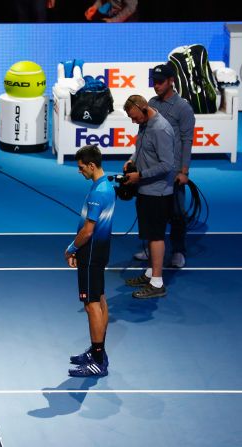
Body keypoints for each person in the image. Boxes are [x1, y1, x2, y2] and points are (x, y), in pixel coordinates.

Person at [132, 63, 195, 269]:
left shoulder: (183, 108)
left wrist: (184, 171)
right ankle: (152, 246)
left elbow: (187, 140)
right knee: (150, 212)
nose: (156, 86)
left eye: (160, 82)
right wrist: (134, 159)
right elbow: (142, 137)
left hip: (173, 171)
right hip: (153, 169)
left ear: (171, 81)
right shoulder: (150, 103)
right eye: (154, 82)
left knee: (176, 213)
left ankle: (178, 250)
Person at [65, 145, 115, 377]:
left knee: (91, 304)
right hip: (100, 251)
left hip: (91, 253)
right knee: (100, 299)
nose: (80, 171)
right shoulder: (105, 186)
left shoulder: (98, 193)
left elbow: (87, 231)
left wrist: (72, 248)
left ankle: (97, 360)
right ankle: (98, 352)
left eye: (81, 167)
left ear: (92, 165)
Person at [122, 95, 175, 299]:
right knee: (150, 234)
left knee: (156, 236)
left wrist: (141, 175)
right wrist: (131, 161)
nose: (134, 122)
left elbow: (167, 164)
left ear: (144, 109)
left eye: (135, 117)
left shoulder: (161, 129)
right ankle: (150, 273)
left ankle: (157, 283)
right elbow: (140, 149)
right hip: (145, 189)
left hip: (158, 191)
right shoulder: (145, 124)